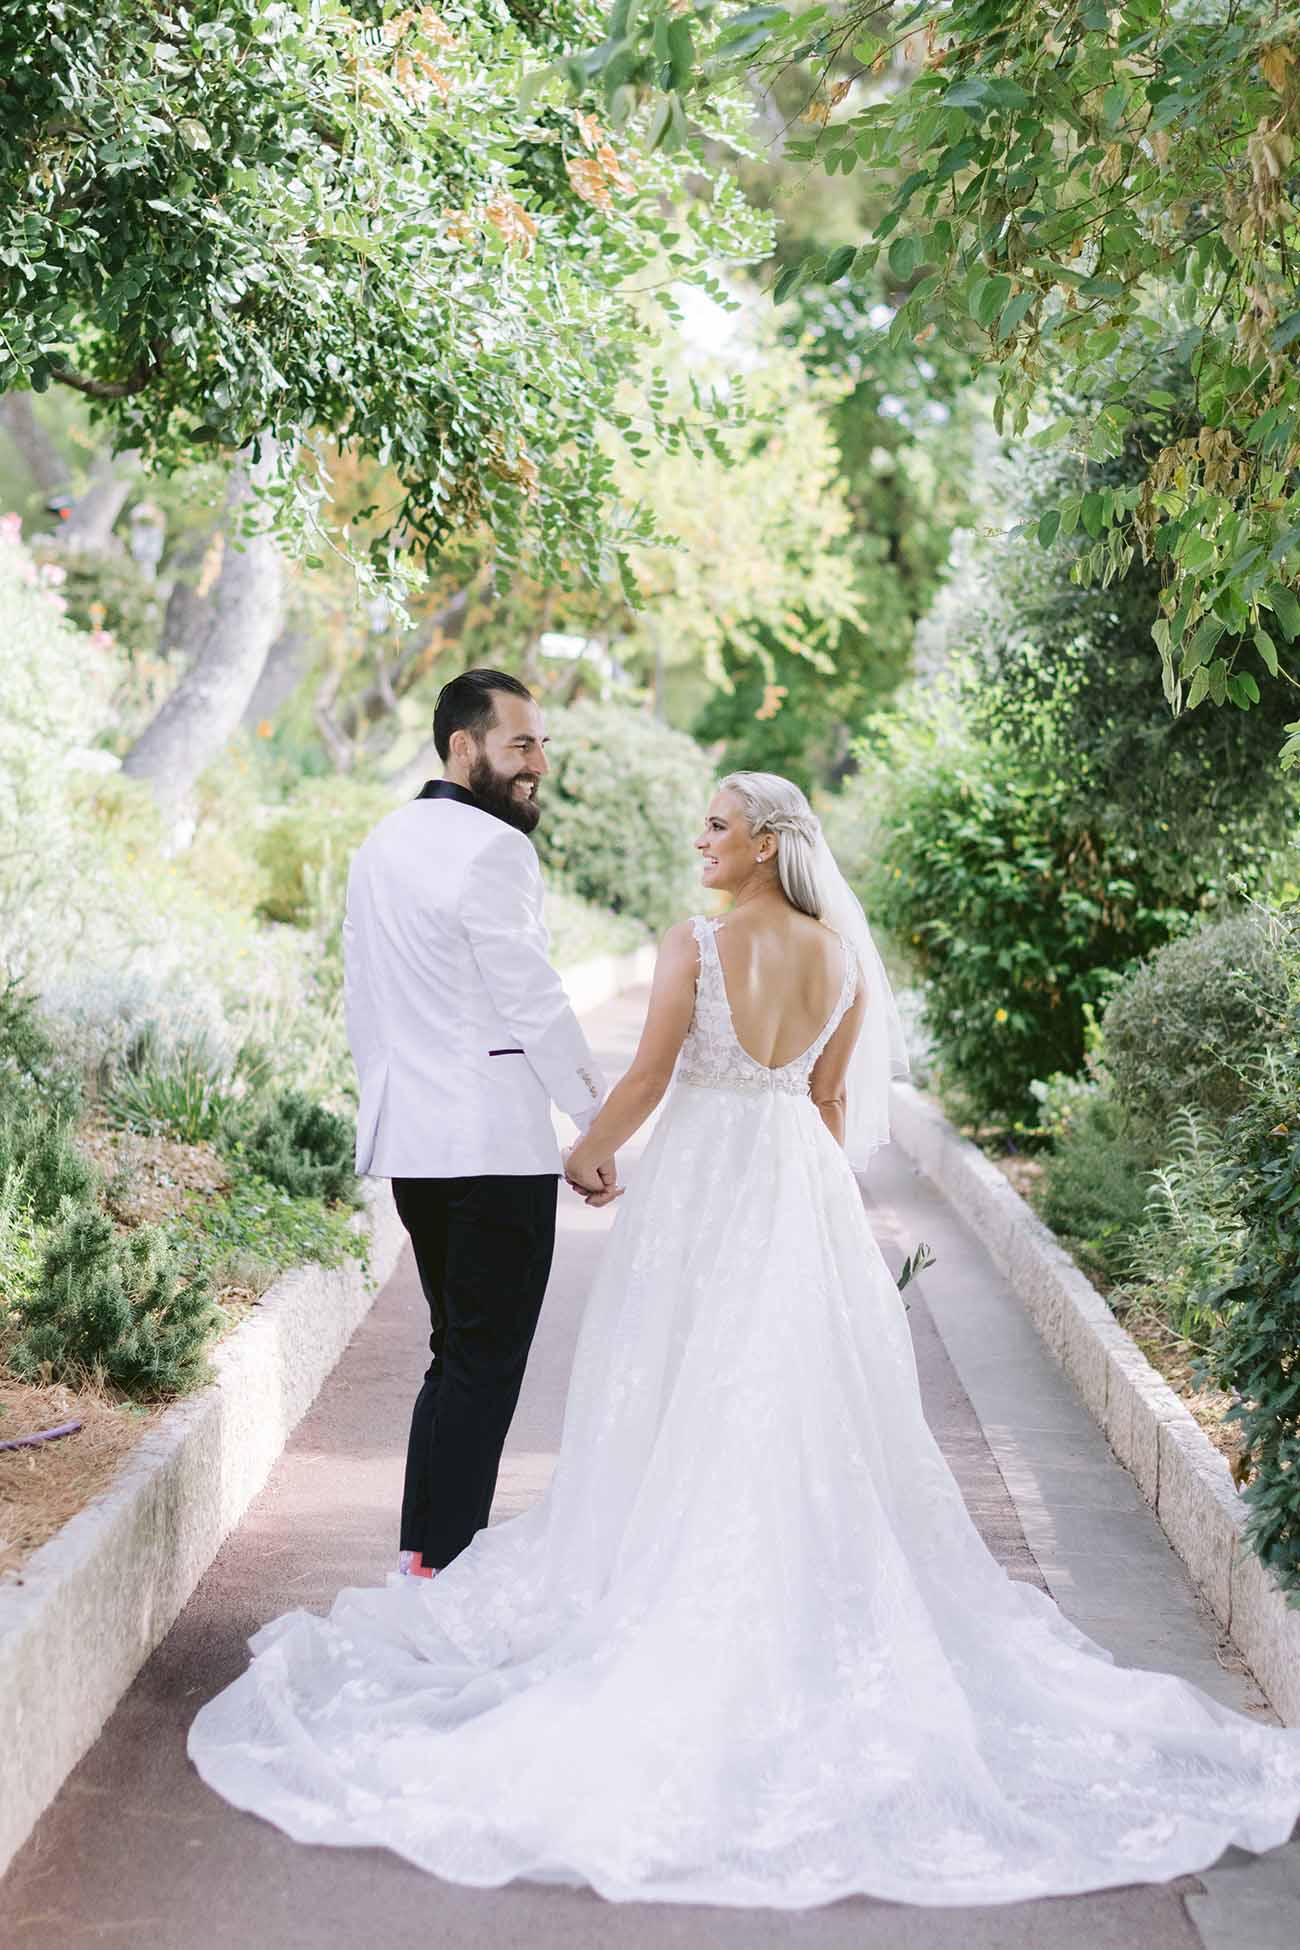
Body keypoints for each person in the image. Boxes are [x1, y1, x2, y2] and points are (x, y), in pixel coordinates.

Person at [189, 771, 1300, 1908]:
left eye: (718, 825)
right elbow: (823, 1103)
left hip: (706, 1188)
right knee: (797, 1393)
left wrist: (587, 1153)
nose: (700, 840)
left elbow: (652, 1075)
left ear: (768, 843)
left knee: (676, 1379)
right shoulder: (844, 961)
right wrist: (806, 1200)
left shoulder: (697, 947)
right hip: (797, 1192)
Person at [340, 667, 617, 1582]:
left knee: (456, 1353)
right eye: (521, 744)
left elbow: (363, 1005)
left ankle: (425, 1552)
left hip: (416, 1148)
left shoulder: (380, 844)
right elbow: (531, 997)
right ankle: (442, 1566)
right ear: (465, 748)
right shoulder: (495, 851)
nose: (539, 762)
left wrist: (384, 1111)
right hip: (493, 1151)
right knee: (485, 1364)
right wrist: (595, 1118)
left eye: (541, 743)